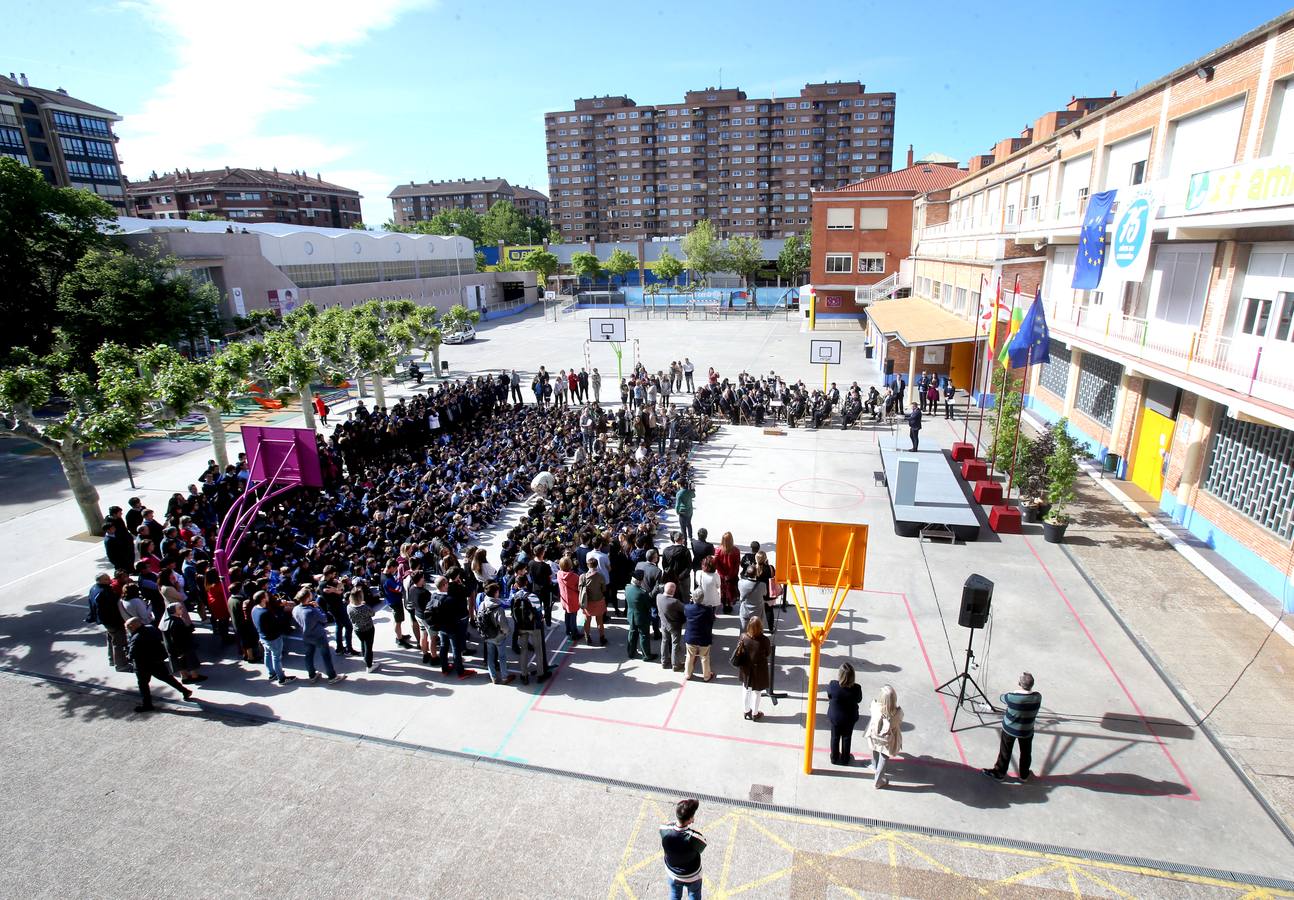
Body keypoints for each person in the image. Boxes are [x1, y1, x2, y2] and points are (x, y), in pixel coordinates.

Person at [125, 617, 196, 712]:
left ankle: (147, 704)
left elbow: (132, 654)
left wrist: (128, 656)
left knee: (143, 684)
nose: (127, 629)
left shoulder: (136, 638)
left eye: (127, 627)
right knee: (168, 678)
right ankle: (185, 691)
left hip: (142, 665)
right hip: (157, 661)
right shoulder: (151, 628)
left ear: (132, 626)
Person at [982, 672, 1041, 782]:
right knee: (1026, 753)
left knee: (1005, 752)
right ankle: (1024, 775)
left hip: (1010, 729)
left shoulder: (1012, 697)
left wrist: (1015, 692)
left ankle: (1000, 773)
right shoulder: (1037, 697)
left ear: (1020, 683)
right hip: (1027, 730)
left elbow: (1002, 698)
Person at [293, 588, 347, 684]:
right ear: (307, 597)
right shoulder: (311, 610)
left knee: (309, 655)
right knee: (326, 656)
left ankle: (312, 675)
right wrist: (317, 607)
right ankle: (332, 676)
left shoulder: (295, 609)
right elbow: (324, 618)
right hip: (318, 636)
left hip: (306, 636)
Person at [660, 798, 706, 900]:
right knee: (694, 895)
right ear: (690, 819)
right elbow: (702, 847)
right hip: (692, 875)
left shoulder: (664, 829)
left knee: (674, 894)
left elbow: (667, 825)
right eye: (692, 817)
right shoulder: (694, 837)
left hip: (673, 873)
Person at [251, 591, 296, 686]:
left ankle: (272, 673)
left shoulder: (254, 609)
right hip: (273, 638)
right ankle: (282, 678)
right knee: (276, 658)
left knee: (267, 654)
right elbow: (276, 624)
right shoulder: (266, 612)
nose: (268, 597)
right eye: (266, 596)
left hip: (263, 637)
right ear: (263, 599)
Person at [733, 616, 771, 720]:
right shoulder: (764, 640)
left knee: (746, 689)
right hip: (759, 670)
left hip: (746, 668)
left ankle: (746, 711)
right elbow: (768, 653)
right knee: (757, 692)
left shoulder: (743, 637)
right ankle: (755, 713)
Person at [866, 684, 904, 788]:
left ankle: (874, 765)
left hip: (875, 735)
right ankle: (878, 781)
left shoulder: (875, 707)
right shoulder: (897, 713)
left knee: (874, 748)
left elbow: (871, 707)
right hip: (888, 740)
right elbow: (899, 721)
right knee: (884, 757)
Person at [477, 583, 515, 685]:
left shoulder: (482, 604)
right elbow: (504, 625)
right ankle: (504, 677)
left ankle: (493, 676)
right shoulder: (498, 608)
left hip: (487, 635)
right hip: (498, 636)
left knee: (490, 656)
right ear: (495, 593)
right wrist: (505, 633)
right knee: (502, 657)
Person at [92, 573, 130, 671]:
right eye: (106, 579)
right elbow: (113, 605)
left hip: (106, 620)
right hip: (113, 620)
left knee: (111, 638)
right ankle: (121, 665)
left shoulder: (94, 589)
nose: (110, 580)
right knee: (119, 642)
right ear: (100, 581)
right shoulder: (105, 592)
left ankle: (112, 659)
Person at [159, 601, 204, 684]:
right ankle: (195, 676)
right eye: (179, 608)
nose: (182, 609)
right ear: (173, 611)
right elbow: (181, 636)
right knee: (190, 661)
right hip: (183, 647)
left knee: (180, 664)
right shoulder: (177, 622)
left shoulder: (166, 621)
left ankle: (184, 677)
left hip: (172, 649)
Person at [827, 662, 863, 765]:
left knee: (835, 737)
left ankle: (834, 758)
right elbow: (859, 699)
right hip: (849, 718)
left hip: (835, 717)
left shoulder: (833, 685)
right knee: (847, 737)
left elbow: (829, 695)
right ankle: (845, 758)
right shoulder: (856, 688)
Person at [682, 588, 715, 681]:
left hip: (691, 637)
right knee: (704, 657)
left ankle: (687, 674)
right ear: (703, 598)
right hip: (704, 638)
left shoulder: (687, 608)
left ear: (692, 597)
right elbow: (711, 620)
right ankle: (706, 676)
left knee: (689, 656)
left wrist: (691, 601)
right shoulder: (708, 609)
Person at [624, 571, 657, 661]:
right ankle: (646, 655)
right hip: (642, 617)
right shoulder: (642, 593)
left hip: (631, 616)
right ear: (640, 581)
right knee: (644, 636)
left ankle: (631, 652)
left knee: (632, 633)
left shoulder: (627, 588)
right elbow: (649, 606)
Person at [347, 587, 379, 673]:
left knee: (363, 642)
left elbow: (351, 619)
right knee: (369, 647)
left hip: (357, 629)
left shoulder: (349, 607)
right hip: (368, 628)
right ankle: (369, 666)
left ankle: (365, 658)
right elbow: (372, 614)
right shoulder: (364, 607)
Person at [656, 582, 686, 672]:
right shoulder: (675, 602)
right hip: (674, 626)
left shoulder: (658, 597)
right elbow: (685, 608)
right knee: (675, 644)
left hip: (664, 623)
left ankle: (664, 662)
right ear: (673, 591)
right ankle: (675, 665)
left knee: (664, 641)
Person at [578, 562, 607, 646]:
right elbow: (604, 589)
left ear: (587, 565)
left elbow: (579, 589)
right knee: (599, 621)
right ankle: (602, 638)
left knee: (587, 620)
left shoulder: (582, 577)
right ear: (597, 565)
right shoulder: (600, 576)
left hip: (587, 602)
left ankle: (587, 637)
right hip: (599, 600)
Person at [714, 532, 741, 614]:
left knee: (723, 590)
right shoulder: (736, 550)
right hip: (732, 576)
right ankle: (729, 605)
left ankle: (725, 605)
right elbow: (736, 565)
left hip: (722, 576)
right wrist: (730, 575)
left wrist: (723, 575)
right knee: (731, 590)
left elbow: (717, 565)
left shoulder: (718, 550)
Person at [556, 555, 581, 642]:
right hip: (573, 599)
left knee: (567, 614)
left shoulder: (559, 574)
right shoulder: (575, 577)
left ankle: (568, 630)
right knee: (573, 617)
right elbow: (579, 588)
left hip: (564, 599)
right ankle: (574, 633)